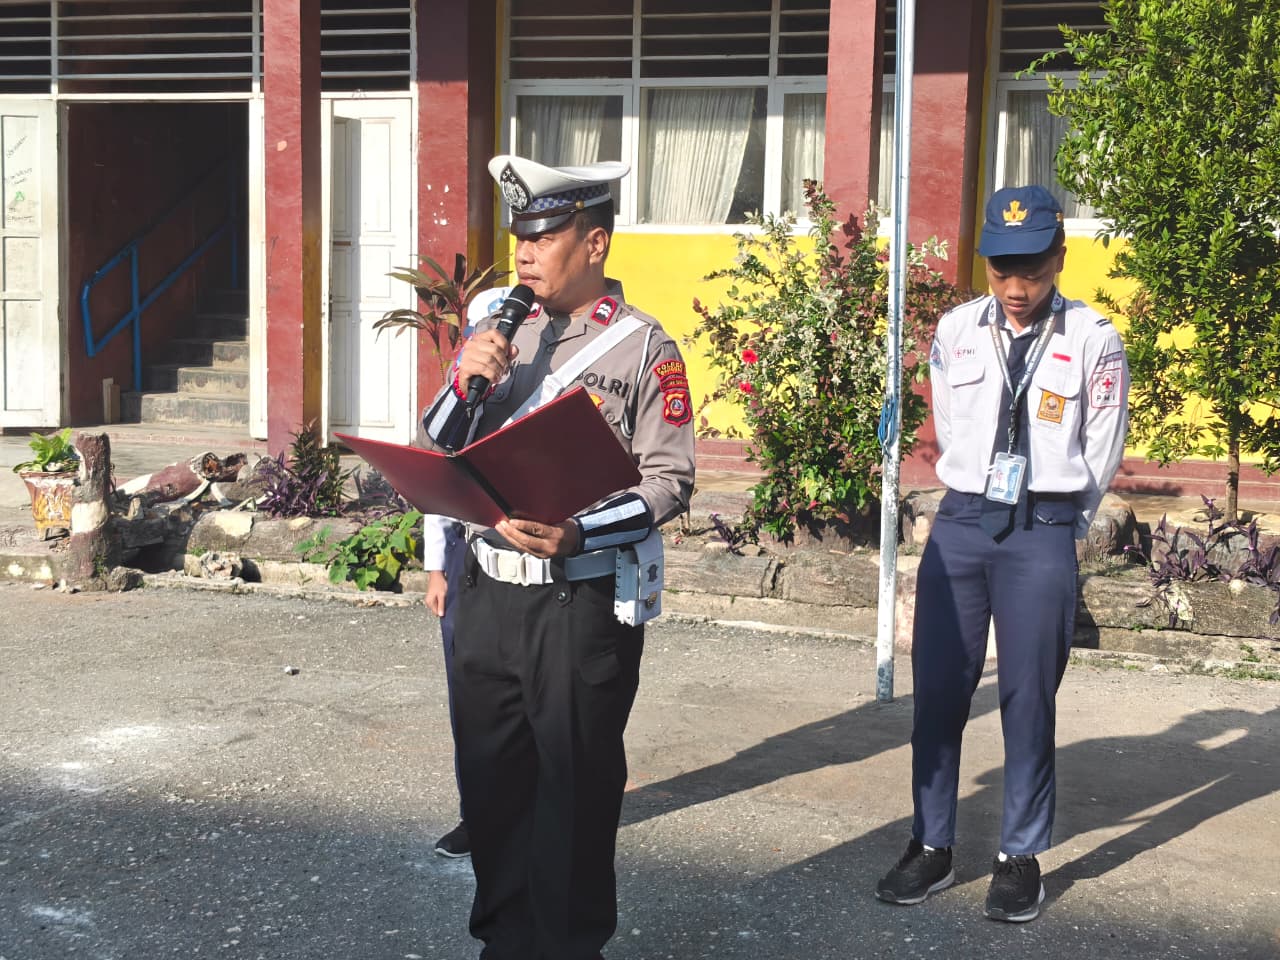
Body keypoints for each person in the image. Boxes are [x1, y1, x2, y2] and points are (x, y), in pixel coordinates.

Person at [418, 153, 695, 959]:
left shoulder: (645, 348)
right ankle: (503, 941)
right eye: (520, 238)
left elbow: (670, 479)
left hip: (578, 603)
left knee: (573, 793)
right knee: (494, 786)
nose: (526, 254)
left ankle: (570, 947)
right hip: (487, 597)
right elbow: (440, 449)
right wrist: (464, 379)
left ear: (596, 242)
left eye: (545, 236)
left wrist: (580, 533)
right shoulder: (496, 331)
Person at [875, 184, 1129, 922]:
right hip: (961, 524)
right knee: (941, 697)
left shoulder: (1092, 338)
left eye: (1032, 271)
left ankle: (1019, 855)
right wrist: (977, 496)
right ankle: (932, 843)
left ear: (1059, 256)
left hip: (1043, 527)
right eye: (1000, 271)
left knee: (1027, 700)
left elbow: (1101, 447)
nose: (1016, 289)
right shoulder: (956, 330)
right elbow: (950, 424)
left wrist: (1058, 521)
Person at [423, 288, 512, 861]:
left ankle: (536, 813)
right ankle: (477, 817)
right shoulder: (458, 399)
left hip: (534, 556)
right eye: (480, 336)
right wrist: (436, 569)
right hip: (465, 556)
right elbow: (436, 489)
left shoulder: (539, 391)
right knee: (471, 698)